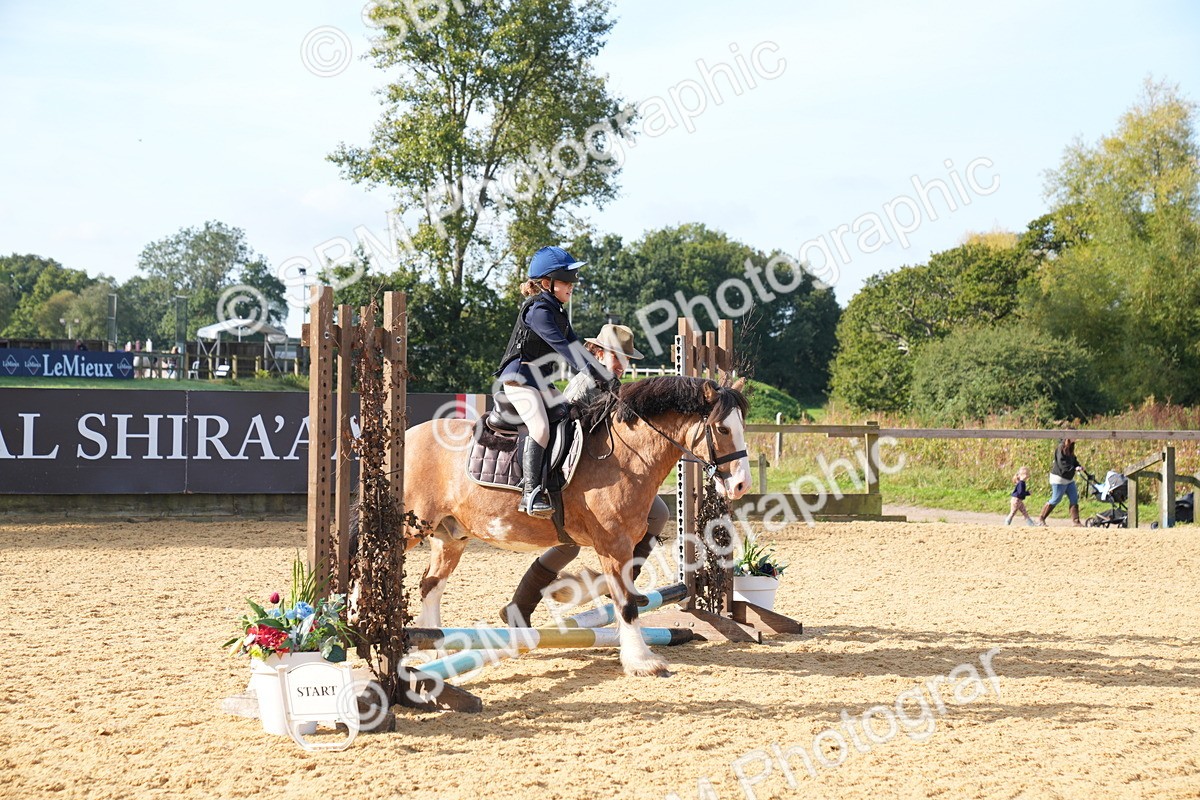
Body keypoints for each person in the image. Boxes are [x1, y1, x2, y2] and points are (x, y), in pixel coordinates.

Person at [500, 323, 670, 626]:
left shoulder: (613, 384)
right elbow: (568, 430)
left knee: (658, 514)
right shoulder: (584, 383)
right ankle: (519, 608)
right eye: (617, 357)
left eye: (626, 359)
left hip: (607, 478)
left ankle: (626, 582)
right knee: (568, 546)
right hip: (574, 477)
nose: (622, 365)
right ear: (599, 353)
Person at [494, 245, 606, 519]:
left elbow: (576, 346)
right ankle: (530, 493)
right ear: (547, 283)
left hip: (540, 380)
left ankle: (557, 482)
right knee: (540, 427)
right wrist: (594, 374)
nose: (572, 286)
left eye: (571, 281)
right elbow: (566, 350)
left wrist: (605, 375)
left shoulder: (556, 311)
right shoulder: (539, 312)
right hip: (519, 378)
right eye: (566, 282)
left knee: (569, 416)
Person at [1038, 438, 1084, 526]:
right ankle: (1041, 518)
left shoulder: (1071, 447)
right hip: (1059, 478)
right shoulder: (1061, 448)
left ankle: (1076, 521)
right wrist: (1073, 468)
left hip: (1069, 479)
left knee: (1074, 498)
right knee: (1056, 499)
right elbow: (1062, 464)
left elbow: (1073, 460)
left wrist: (1078, 466)